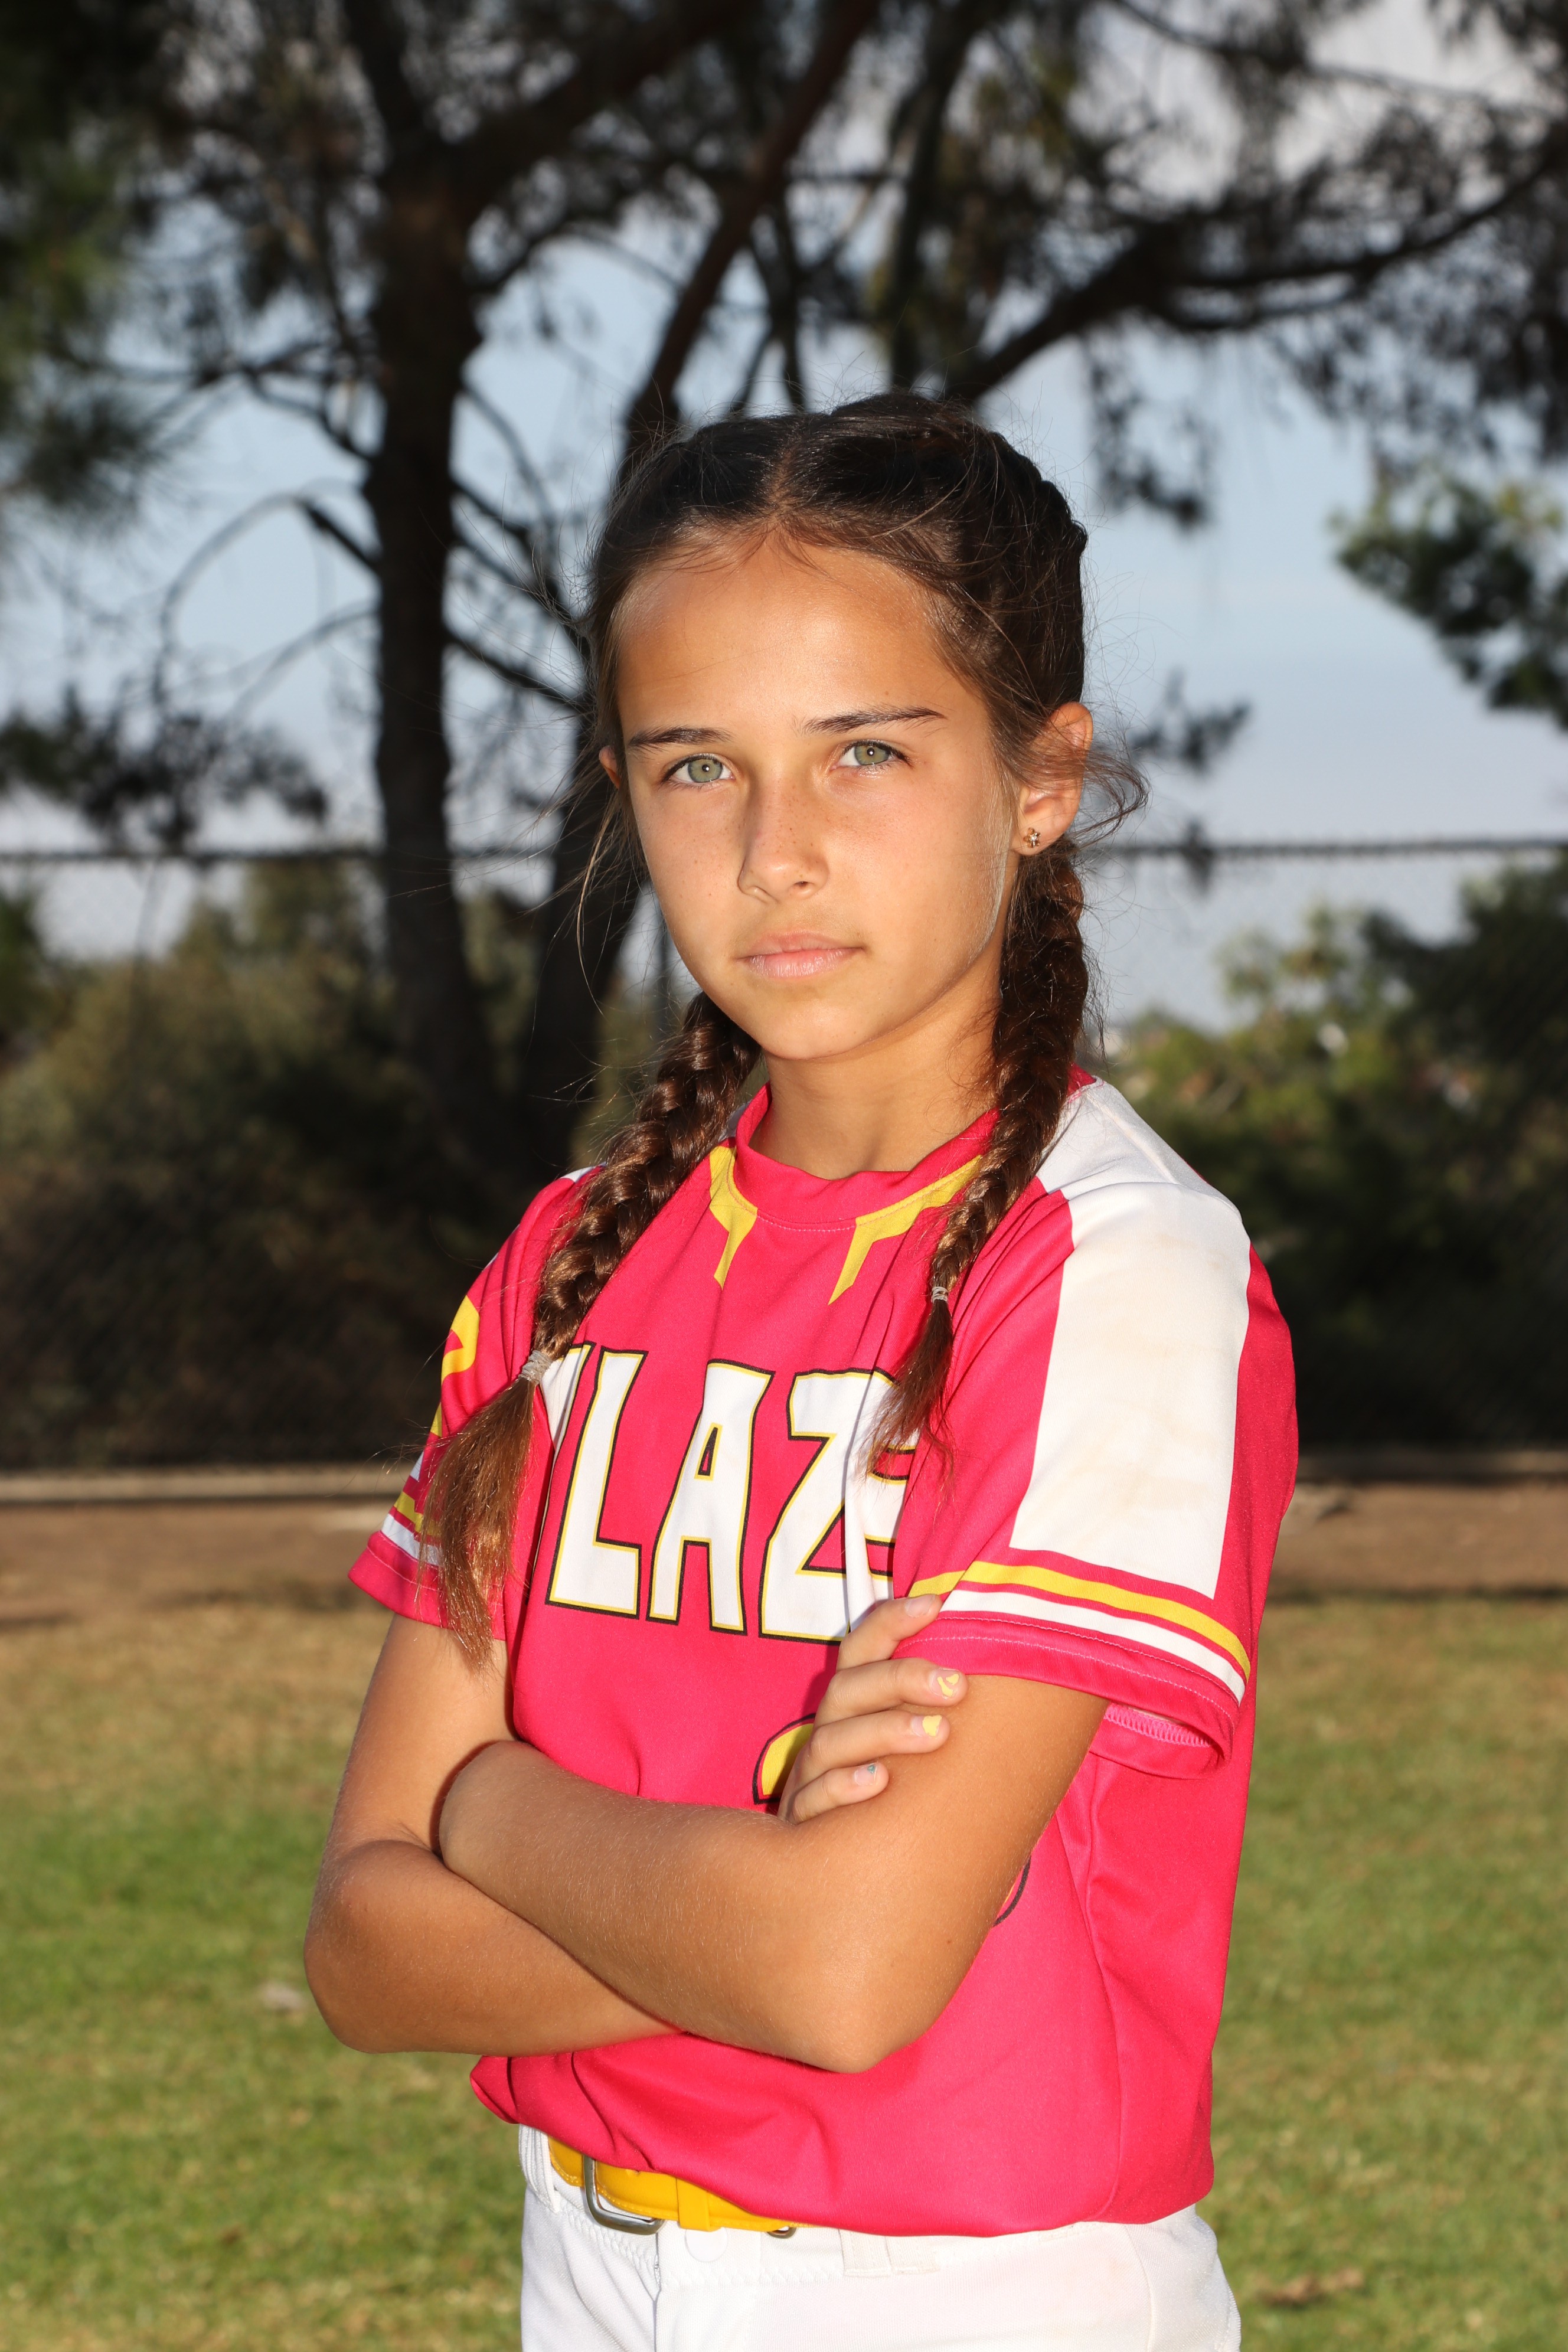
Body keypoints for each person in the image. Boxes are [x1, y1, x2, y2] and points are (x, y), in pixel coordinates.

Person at [305, 393, 1296, 2352]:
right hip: (589, 2261)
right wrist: (757, 1884)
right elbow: (359, 1949)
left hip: (970, 2290)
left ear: (1041, 776)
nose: (779, 852)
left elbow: (846, 1977)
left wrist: (492, 1807)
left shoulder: (1109, 1266)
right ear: (625, 791)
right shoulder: (568, 1265)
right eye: (700, 767)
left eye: (867, 751)